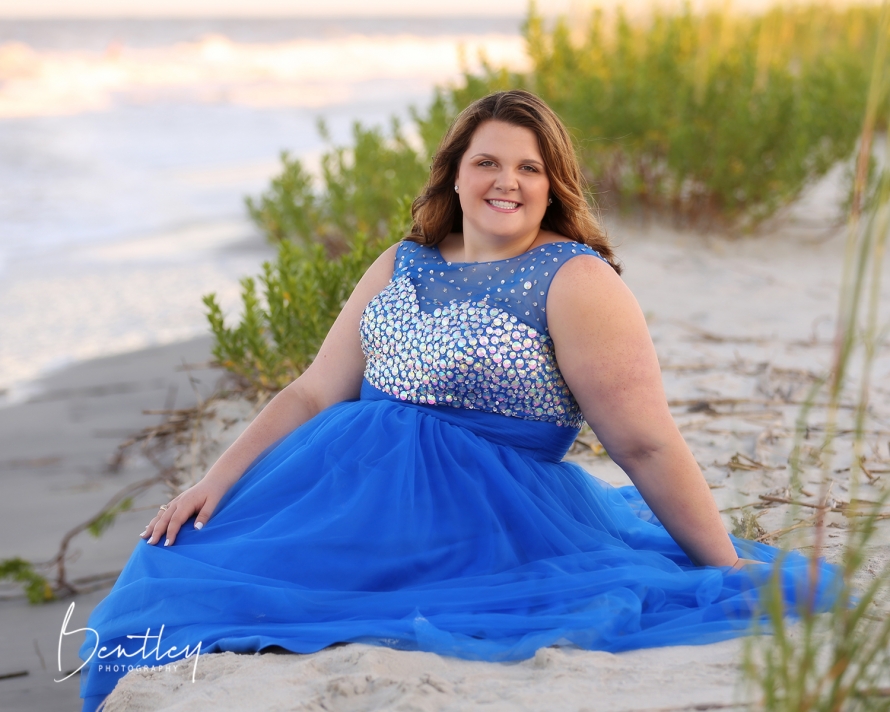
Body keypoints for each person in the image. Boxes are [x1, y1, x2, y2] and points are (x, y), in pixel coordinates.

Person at [77, 90, 841, 712]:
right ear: (454, 174)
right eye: (488, 161)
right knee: (179, 565)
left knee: (302, 608)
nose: (507, 180)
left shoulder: (576, 281)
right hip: (338, 489)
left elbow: (643, 442)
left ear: (553, 185)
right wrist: (214, 480)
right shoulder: (402, 261)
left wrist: (724, 563)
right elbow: (314, 390)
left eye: (529, 167)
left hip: (483, 519)